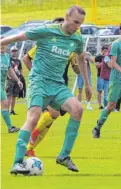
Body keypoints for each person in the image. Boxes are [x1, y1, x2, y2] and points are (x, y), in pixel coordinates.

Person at [1, 5, 92, 175]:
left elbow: (81, 58)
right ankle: (17, 162)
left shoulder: (77, 39)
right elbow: (20, 37)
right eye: (75, 22)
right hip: (39, 82)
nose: (77, 26)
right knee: (34, 117)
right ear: (66, 17)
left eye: (80, 23)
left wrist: (87, 84)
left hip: (57, 85)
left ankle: (64, 156)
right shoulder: (47, 30)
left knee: (78, 109)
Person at [22, 17, 81, 158]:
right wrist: (36, 77)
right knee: (52, 114)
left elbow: (77, 70)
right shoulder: (45, 43)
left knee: (51, 119)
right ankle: (33, 134)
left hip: (60, 86)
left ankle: (30, 147)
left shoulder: (70, 46)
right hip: (42, 84)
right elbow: (26, 58)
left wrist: (77, 63)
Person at [1, 40, 23, 133]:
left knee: (4, 104)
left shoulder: (6, 57)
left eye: (4, 44)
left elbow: (10, 70)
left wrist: (18, 80)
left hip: (2, 84)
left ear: (7, 46)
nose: (2, 46)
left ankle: (10, 127)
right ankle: (10, 127)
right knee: (5, 103)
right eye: (1, 44)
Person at [6, 46, 23, 115]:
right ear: (10, 51)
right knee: (9, 96)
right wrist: (8, 76)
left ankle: (12, 110)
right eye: (13, 51)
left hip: (17, 80)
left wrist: (20, 77)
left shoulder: (18, 61)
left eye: (15, 51)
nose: (14, 52)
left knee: (14, 96)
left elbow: (20, 69)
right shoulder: (8, 59)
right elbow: (6, 67)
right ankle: (6, 110)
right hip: (10, 80)